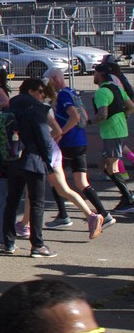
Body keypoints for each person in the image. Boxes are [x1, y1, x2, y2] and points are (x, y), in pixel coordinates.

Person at [44, 67, 117, 235]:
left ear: (55, 79)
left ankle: (63, 215)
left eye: (49, 82)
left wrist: (60, 133)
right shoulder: (72, 92)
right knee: (81, 182)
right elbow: (83, 114)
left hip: (68, 143)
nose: (49, 86)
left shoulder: (63, 95)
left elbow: (75, 116)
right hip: (80, 141)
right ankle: (105, 215)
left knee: (54, 179)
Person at [0, 78, 58, 258]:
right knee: (37, 202)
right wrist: (47, 160)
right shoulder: (37, 109)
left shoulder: (10, 107)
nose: (43, 94)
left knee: (12, 201)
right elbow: (44, 138)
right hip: (33, 159)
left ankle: (8, 242)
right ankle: (37, 245)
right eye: (40, 91)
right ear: (31, 91)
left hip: (13, 158)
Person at [91, 62, 134, 211]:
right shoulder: (116, 88)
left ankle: (128, 199)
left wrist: (89, 122)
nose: (94, 75)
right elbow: (131, 107)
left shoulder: (102, 92)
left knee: (111, 167)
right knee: (103, 165)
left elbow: (102, 114)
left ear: (100, 74)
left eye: (95, 72)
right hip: (119, 131)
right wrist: (123, 116)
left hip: (112, 133)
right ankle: (127, 196)